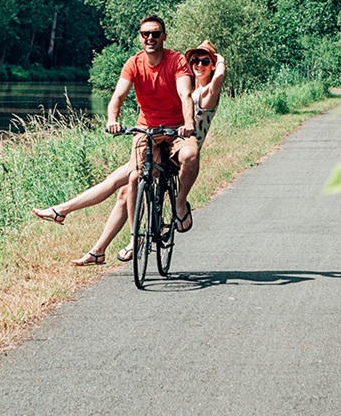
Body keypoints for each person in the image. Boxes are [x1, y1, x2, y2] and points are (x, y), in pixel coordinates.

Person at [32, 37, 226, 266]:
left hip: (179, 150)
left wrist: (220, 59)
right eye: (194, 60)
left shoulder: (207, 93)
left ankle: (66, 211)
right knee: (123, 190)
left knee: (121, 180)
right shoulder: (187, 86)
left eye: (205, 61)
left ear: (212, 65)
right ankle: (97, 249)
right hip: (163, 141)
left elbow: (219, 78)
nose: (199, 65)